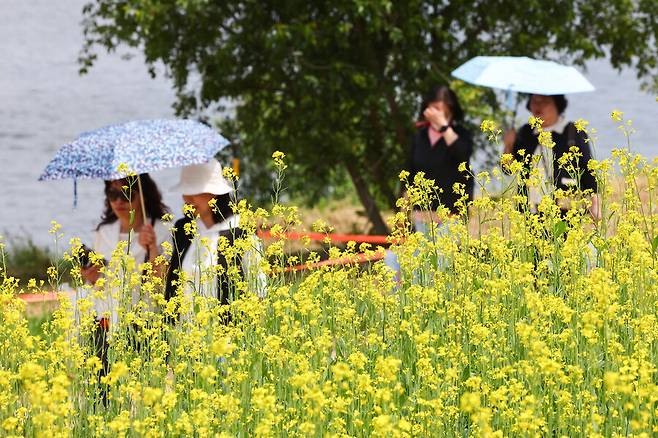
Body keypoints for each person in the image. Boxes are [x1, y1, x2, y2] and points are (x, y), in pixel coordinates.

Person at [165, 160, 266, 317]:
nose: (188, 199)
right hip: (185, 332)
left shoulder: (240, 230)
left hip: (226, 334)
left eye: (196, 192)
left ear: (215, 193)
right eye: (186, 192)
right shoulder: (182, 229)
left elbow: (259, 291)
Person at [503, 94, 599, 218]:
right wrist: (508, 146)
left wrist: (595, 204)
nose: (538, 106)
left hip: (565, 211)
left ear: (557, 105)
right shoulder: (526, 132)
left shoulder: (573, 131)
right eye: (534, 101)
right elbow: (508, 170)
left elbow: (588, 169)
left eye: (544, 101)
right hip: (530, 211)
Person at [407, 84, 474, 229]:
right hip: (422, 218)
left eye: (440, 110)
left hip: (451, 218)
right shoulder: (420, 136)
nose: (435, 114)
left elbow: (463, 155)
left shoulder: (461, 134)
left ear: (451, 110)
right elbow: (409, 173)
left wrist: (444, 127)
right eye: (433, 109)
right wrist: (404, 210)